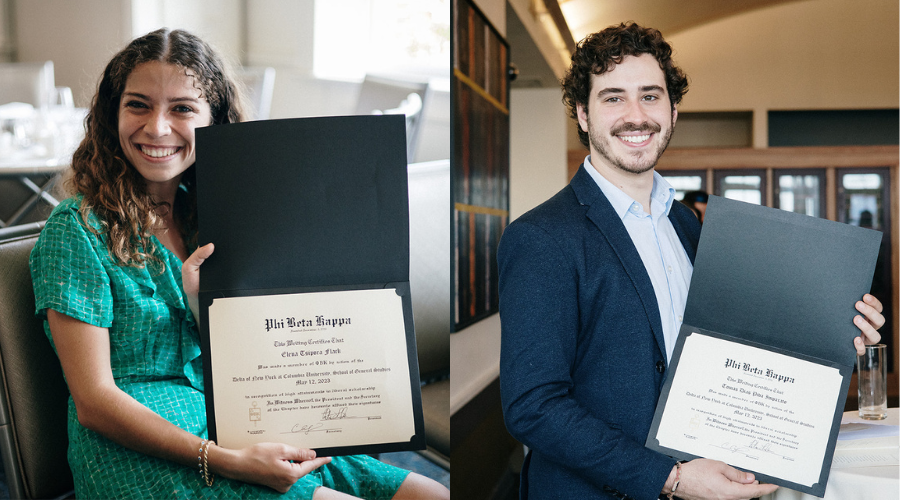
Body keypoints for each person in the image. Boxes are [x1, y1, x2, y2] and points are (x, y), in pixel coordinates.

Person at [29, 28, 449, 500]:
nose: (158, 127)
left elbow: (250, 355)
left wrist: (200, 306)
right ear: (113, 112)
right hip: (139, 453)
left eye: (182, 108)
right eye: (138, 104)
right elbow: (95, 403)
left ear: (214, 120)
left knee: (433, 493)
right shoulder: (77, 229)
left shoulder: (217, 214)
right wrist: (224, 458)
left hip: (240, 418)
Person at [497, 22, 884, 500]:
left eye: (651, 96)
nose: (635, 116)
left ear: (673, 110)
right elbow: (534, 406)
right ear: (582, 113)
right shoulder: (540, 238)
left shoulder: (687, 225)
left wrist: (835, 338)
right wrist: (670, 477)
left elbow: (735, 350)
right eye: (613, 97)